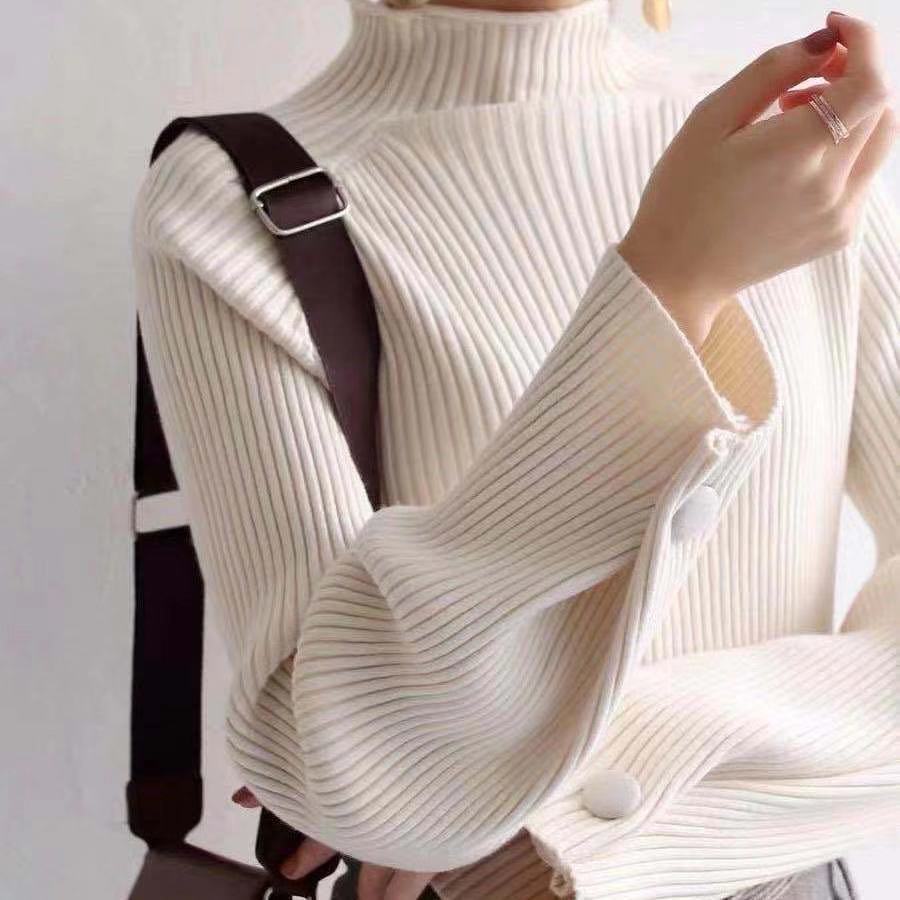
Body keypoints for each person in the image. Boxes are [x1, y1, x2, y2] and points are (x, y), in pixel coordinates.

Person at [130, 1, 899, 899]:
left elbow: (397, 784)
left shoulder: (789, 153)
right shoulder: (230, 201)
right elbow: (345, 765)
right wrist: (671, 284)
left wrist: (549, 797)